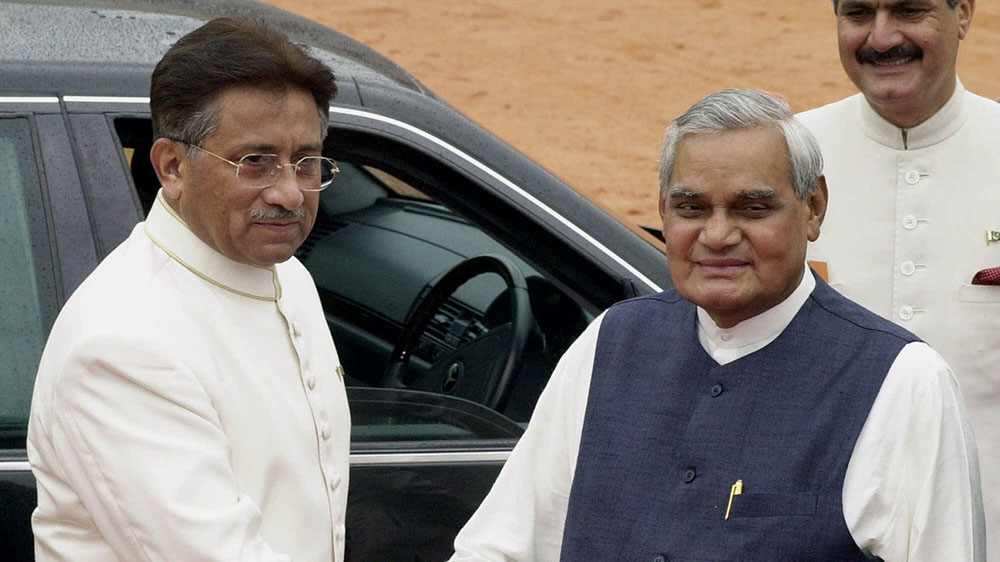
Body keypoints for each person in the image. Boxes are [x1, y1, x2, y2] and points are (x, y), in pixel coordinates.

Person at [448, 89, 985, 561]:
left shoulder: (904, 383)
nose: (719, 235)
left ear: (813, 209)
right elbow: (500, 546)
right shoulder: (608, 345)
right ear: (663, 211)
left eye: (752, 208)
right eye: (692, 208)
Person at [27, 17, 349, 562]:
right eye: (257, 162)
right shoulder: (123, 345)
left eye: (306, 160)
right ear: (172, 167)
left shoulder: (287, 275)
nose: (291, 193)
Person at [798, 1, 1000, 557]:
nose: (881, 38)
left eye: (909, 10)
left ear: (962, 13)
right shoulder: (782, 160)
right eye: (859, 13)